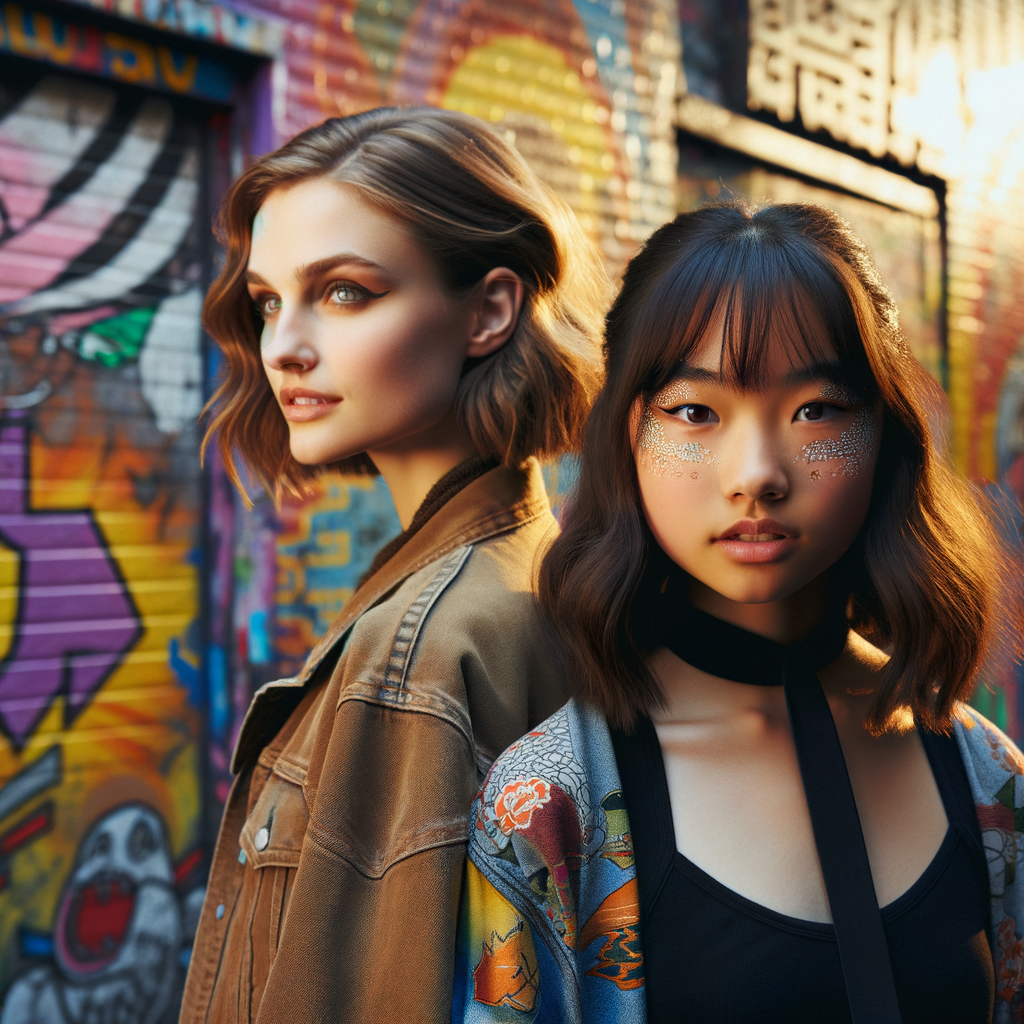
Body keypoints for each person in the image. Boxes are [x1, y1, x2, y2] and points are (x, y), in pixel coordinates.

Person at [453, 202, 1024, 1024]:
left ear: (886, 435)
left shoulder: (987, 777)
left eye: (816, 409)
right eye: (696, 412)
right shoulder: (547, 810)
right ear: (628, 436)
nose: (756, 473)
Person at [179, 107, 608, 1024]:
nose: (285, 346)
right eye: (266, 301)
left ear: (490, 310)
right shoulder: (542, 570)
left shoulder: (421, 650)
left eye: (343, 292)